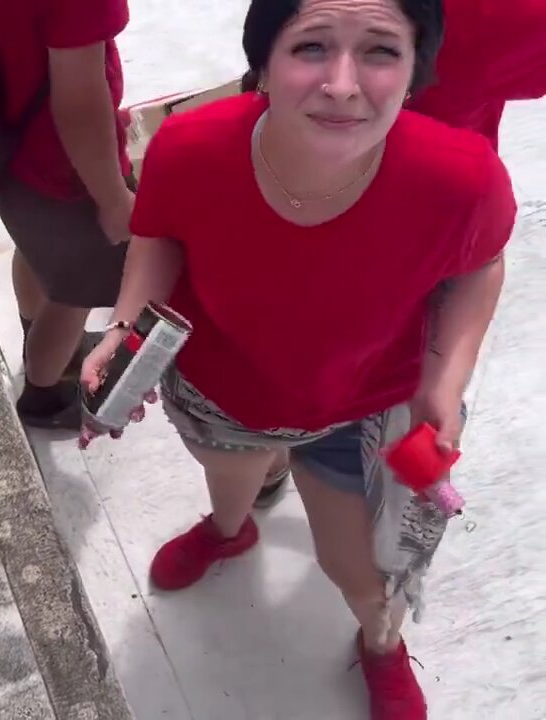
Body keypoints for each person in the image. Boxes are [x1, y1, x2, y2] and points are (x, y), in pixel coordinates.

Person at [80, 1, 517, 717]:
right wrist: (123, 326)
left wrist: (445, 378)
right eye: (312, 47)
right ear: (263, 65)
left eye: (380, 52)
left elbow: (482, 266)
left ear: (415, 73)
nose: (343, 84)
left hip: (370, 404)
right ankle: (230, 531)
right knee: (232, 484)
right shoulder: (189, 148)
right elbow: (158, 234)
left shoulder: (463, 178)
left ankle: (380, 642)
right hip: (227, 390)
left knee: (367, 571)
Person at [254, 0, 546, 509]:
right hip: (397, 209)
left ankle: (271, 449)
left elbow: (482, 264)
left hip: (373, 202)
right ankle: (274, 444)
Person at [0, 0, 136, 429]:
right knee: (76, 292)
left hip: (3, 138)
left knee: (36, 249)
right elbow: (79, 103)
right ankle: (46, 393)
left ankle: (37, 337)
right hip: (64, 166)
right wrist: (112, 198)